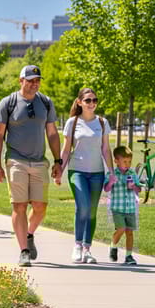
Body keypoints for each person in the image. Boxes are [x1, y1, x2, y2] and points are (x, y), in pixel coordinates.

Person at [0, 65, 62, 267]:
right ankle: (23, 250)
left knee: (40, 207)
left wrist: (57, 161)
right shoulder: (8, 103)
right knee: (19, 205)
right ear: (21, 81)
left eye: (37, 80)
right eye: (30, 80)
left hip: (40, 161)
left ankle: (29, 235)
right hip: (16, 160)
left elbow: (52, 133)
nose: (34, 83)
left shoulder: (46, 103)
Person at [58, 88, 114, 264]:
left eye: (94, 100)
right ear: (80, 102)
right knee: (83, 207)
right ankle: (77, 245)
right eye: (88, 100)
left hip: (97, 173)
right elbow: (66, 150)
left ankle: (87, 249)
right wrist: (59, 170)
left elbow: (105, 149)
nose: (92, 103)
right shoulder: (72, 122)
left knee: (92, 211)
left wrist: (111, 172)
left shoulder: (102, 122)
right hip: (77, 171)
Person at [105, 146, 143, 266]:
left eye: (129, 162)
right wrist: (111, 182)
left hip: (130, 208)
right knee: (121, 229)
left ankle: (128, 256)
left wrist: (134, 186)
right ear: (116, 161)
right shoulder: (112, 174)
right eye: (124, 161)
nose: (127, 164)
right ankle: (113, 245)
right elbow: (106, 188)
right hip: (118, 208)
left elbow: (139, 189)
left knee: (129, 232)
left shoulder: (132, 173)